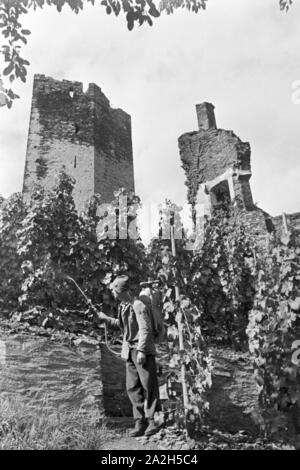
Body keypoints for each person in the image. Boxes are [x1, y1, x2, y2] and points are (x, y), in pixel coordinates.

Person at [96, 275, 161, 437]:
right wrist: (105, 319)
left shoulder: (138, 305)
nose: (112, 293)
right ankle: (140, 421)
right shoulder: (124, 306)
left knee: (149, 385)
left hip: (142, 351)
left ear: (120, 290)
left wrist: (141, 351)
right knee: (132, 387)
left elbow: (145, 329)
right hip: (129, 351)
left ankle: (152, 420)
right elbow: (121, 325)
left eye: (113, 290)